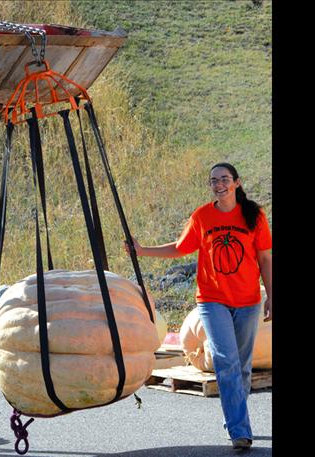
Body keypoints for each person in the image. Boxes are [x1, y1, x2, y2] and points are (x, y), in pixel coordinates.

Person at [124, 162, 272, 450]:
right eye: (214, 180)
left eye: (224, 179)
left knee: (241, 367)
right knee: (225, 361)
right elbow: (181, 247)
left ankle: (233, 418)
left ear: (237, 183)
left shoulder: (254, 216)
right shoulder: (203, 216)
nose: (219, 184)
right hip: (212, 300)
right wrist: (143, 251)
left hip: (248, 300)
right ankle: (240, 430)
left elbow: (265, 259)